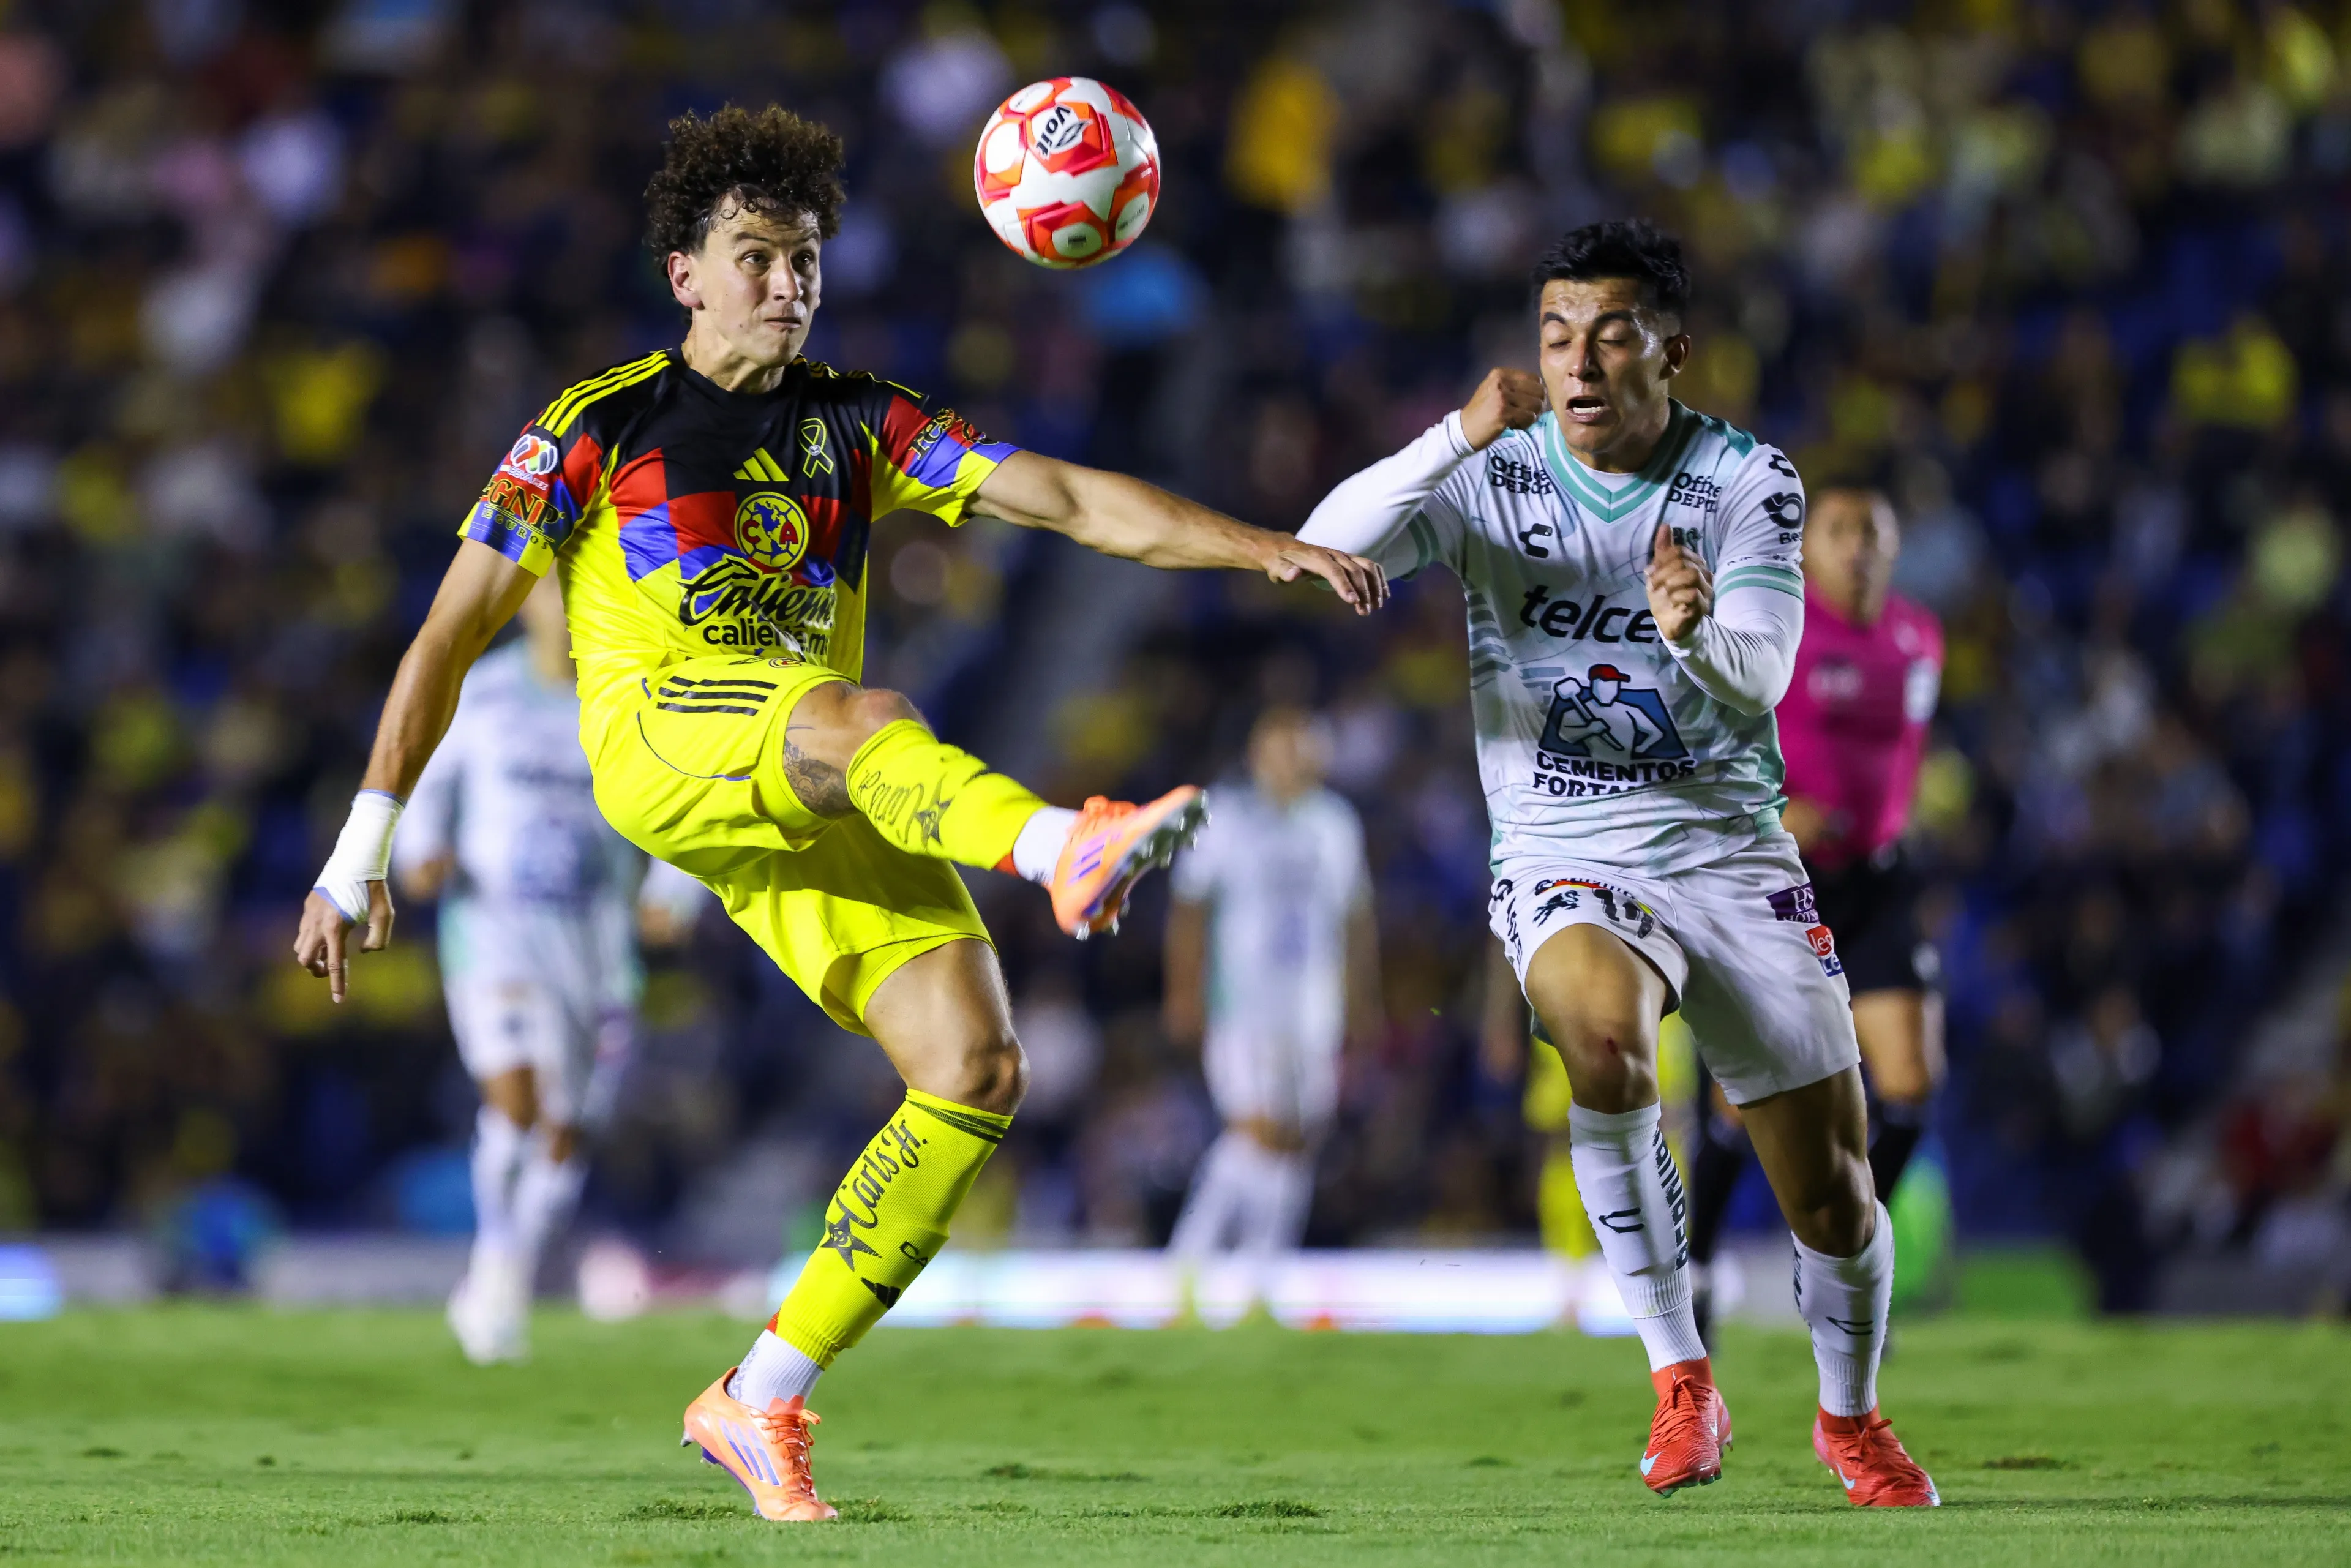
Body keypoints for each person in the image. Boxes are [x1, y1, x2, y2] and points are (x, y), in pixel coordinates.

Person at [291, 105, 1385, 1523]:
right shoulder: (594, 425)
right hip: (659, 738)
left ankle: (759, 1389)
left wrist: (1265, 547)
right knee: (864, 712)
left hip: (800, 781)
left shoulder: (858, 422)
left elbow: (1056, 496)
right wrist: (357, 846)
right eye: (754, 256)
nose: (786, 284)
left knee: (974, 1067)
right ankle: (1063, 845)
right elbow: (440, 642)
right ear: (686, 272)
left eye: (804, 258)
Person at [1297, 219, 1937, 1507]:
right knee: (1603, 1041)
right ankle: (1680, 1373)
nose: (1579, 362)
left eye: (1611, 333)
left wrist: (1691, 631)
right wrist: (1450, 438)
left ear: (1673, 351)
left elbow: (1761, 670)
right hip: (1564, 844)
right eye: (1554, 333)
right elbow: (1325, 539)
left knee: (1837, 1199)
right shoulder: (1494, 472)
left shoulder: (1751, 482)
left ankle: (1849, 1413)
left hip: (1729, 851)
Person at [392, 572, 709, 1364]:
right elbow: (424, 784)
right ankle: (496, 1267)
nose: (564, 615)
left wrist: (677, 894)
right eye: (551, 597)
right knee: (516, 1099)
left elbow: (693, 806)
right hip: (494, 928)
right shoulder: (484, 691)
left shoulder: (635, 701)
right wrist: (419, 850)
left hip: (595, 948)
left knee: (566, 1130)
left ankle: (507, 1270)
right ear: (526, 603)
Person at [1684, 484, 1946, 1342]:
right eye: (1840, 531)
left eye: (1874, 531)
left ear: (1896, 546)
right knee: (1737, 1103)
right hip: (1784, 881)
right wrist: (1780, 808)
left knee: (1909, 1086)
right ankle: (1698, 1268)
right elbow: (1708, 740)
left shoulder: (1919, 640)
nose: (1858, 546)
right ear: (1807, 550)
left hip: (1877, 884)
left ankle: (1837, 1256)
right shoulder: (1774, 632)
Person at [1164, 706, 1378, 1280]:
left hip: (1313, 1006)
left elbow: (1355, 915)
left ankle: (1261, 1276)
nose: (1291, 762)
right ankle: (1190, 1259)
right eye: (1280, 749)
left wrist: (1363, 1000)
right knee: (1254, 1129)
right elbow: (1189, 908)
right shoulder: (1227, 817)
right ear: (1257, 756)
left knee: (1298, 1136)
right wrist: (1183, 993)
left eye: (1301, 750)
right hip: (1243, 1002)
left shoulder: (1335, 823)